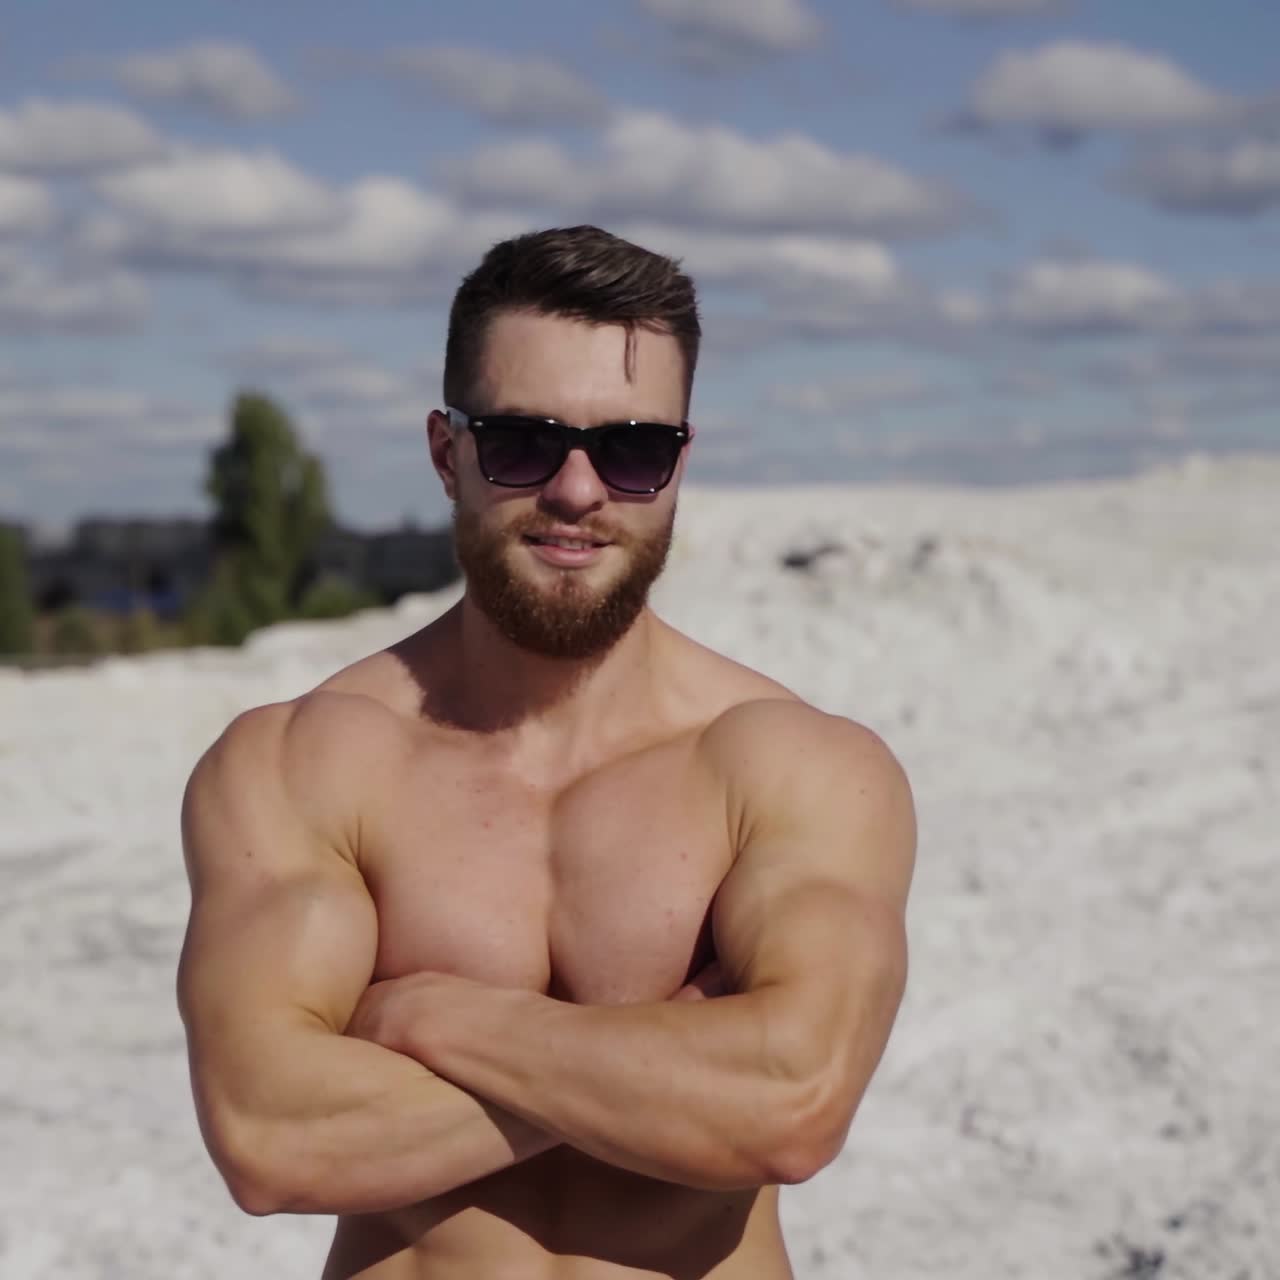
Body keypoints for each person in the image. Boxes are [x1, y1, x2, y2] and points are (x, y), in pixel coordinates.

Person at [176, 225, 917, 1279]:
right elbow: (268, 1135)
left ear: (676, 467)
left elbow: (789, 1107)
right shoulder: (302, 763)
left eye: (630, 449)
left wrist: (437, 1015)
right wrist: (663, 1062)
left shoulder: (792, 767)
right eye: (523, 441)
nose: (577, 490)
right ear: (447, 453)